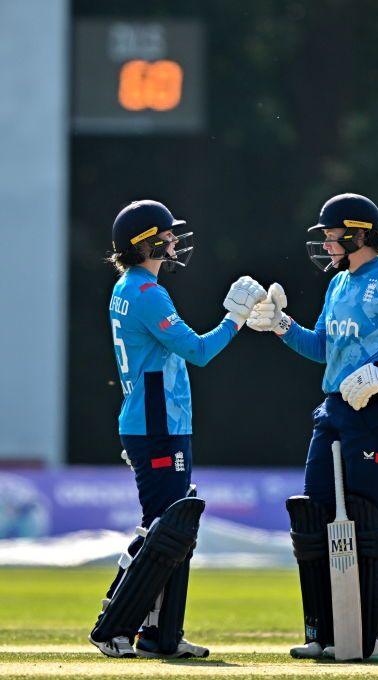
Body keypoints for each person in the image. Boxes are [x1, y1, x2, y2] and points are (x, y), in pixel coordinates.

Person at [248, 193, 378, 662]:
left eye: (331, 234)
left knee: (367, 520)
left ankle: (371, 635)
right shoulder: (339, 285)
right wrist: (281, 326)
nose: (325, 243)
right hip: (335, 408)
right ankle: (323, 631)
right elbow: (322, 348)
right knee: (313, 515)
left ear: (359, 234)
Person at [88, 199, 266, 659]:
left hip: (157, 421)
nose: (173, 241)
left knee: (172, 529)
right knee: (164, 531)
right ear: (148, 243)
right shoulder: (147, 293)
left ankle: (160, 635)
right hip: (157, 424)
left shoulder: (128, 286)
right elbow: (199, 351)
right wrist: (236, 318)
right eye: (166, 236)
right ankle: (116, 626)